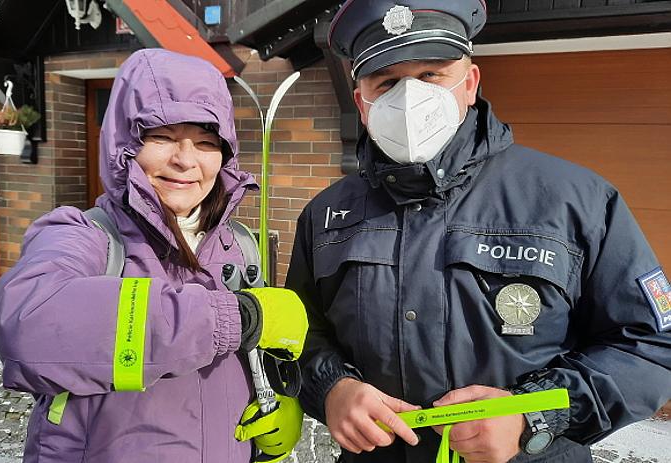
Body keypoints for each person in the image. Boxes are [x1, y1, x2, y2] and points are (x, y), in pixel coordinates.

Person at [285, 1, 671, 462]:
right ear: (361, 104)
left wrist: (533, 416)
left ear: (469, 83)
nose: (409, 97)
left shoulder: (575, 200)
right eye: (386, 82)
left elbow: (649, 344)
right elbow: (301, 336)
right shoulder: (327, 214)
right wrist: (333, 388)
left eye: (431, 75)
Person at [0, 49, 307, 463]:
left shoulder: (239, 246)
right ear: (124, 144)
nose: (186, 159)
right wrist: (238, 317)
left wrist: (270, 419)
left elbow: (245, 366)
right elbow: (26, 329)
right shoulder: (86, 237)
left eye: (207, 141)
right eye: (161, 137)